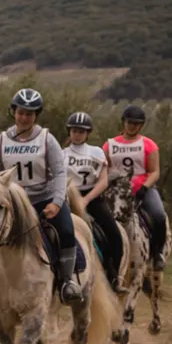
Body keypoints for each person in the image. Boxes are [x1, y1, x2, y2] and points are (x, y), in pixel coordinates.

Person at [0, 88, 79, 305]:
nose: (24, 117)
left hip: (43, 200)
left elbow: (59, 173)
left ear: (36, 115)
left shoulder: (47, 139)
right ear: (14, 113)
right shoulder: (1, 140)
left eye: (29, 113)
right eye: (20, 112)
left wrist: (56, 202)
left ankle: (67, 281)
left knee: (66, 229)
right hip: (11, 204)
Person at [63, 111, 123, 291]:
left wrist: (86, 200)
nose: (77, 134)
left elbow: (103, 181)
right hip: (66, 197)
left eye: (81, 131)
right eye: (74, 131)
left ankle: (114, 276)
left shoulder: (96, 152)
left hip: (92, 196)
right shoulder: (61, 153)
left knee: (114, 234)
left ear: (87, 133)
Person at [105, 105, 168, 270]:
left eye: (136, 123)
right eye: (129, 122)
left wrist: (145, 187)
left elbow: (155, 171)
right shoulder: (109, 145)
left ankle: (157, 253)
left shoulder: (149, 145)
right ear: (123, 122)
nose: (132, 126)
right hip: (116, 192)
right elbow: (104, 170)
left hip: (142, 190)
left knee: (159, 215)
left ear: (141, 125)